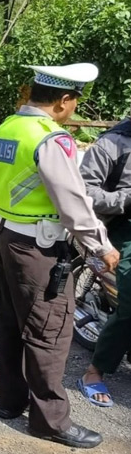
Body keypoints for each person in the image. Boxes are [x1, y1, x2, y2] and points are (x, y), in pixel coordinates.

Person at [0, 63, 120, 449]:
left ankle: (10, 402)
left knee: (11, 319)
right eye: (75, 100)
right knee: (51, 329)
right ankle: (50, 420)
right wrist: (101, 245)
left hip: (6, 233)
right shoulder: (51, 139)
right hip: (39, 246)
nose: (74, 108)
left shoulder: (6, 128)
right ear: (63, 100)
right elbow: (72, 201)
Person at [76, 110, 131, 408]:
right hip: (122, 226)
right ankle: (93, 372)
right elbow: (82, 192)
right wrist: (126, 198)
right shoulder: (113, 144)